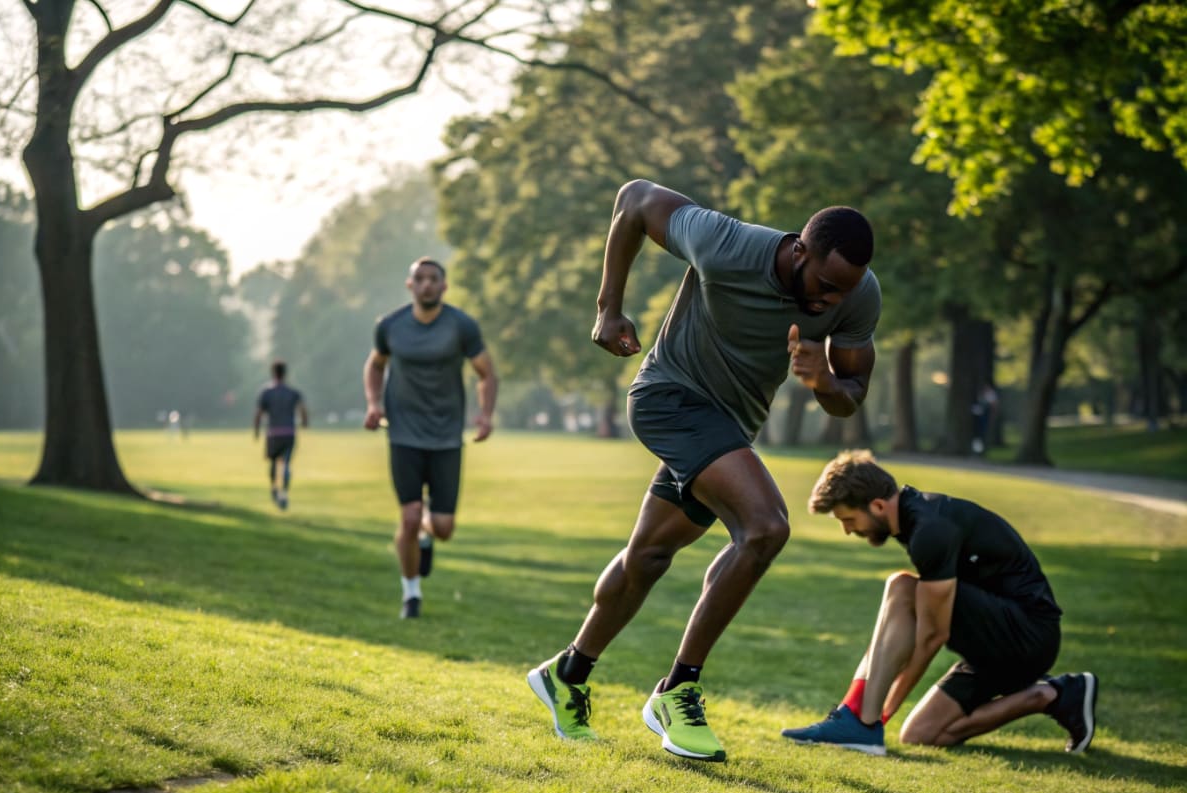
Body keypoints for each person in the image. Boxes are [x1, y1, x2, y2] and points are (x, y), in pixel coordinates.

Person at [526, 179, 881, 761]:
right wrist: (608, 308)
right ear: (799, 252)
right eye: (823, 285)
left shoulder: (857, 295)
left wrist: (826, 382)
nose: (829, 302)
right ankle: (678, 689)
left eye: (843, 292)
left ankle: (568, 672)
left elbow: (852, 395)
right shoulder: (726, 244)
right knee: (766, 526)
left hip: (727, 430)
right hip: (670, 399)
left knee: (648, 557)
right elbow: (635, 199)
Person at [781, 449, 1097, 756]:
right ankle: (1054, 694)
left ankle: (859, 721)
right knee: (919, 735)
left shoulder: (930, 530)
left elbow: (933, 636)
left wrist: (882, 712)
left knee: (902, 588)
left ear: (877, 505)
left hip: (1027, 637)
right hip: (991, 652)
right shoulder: (915, 520)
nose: (849, 530)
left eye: (848, 519)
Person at [362, 257, 498, 620]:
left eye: (433, 279)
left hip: (446, 437)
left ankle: (426, 532)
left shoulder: (461, 325)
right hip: (403, 434)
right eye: (419, 279)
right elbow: (376, 364)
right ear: (410, 285)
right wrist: (374, 404)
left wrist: (486, 414)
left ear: (444, 285)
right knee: (407, 516)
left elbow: (486, 373)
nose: (426, 285)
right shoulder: (390, 326)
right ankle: (411, 594)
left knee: (443, 528)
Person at [253, 360, 308, 510]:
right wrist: (304, 423)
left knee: (273, 462)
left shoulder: (266, 392)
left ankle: (273, 488)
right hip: (289, 433)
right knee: (286, 463)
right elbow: (302, 410)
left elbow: (259, 414)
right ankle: (283, 493)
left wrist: (257, 430)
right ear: (285, 373)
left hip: (273, 434)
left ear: (273, 372)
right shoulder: (293, 393)